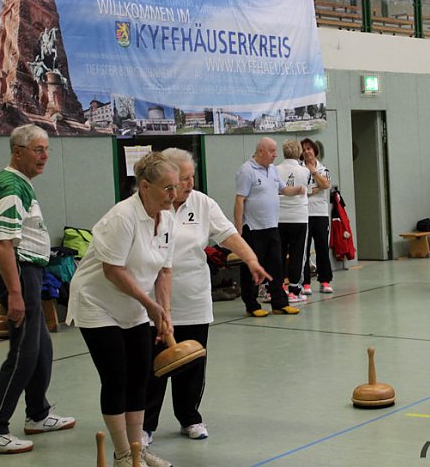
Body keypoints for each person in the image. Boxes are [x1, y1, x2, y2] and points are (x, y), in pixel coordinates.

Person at [143, 148, 269, 444]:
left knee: (193, 363)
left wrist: (251, 260)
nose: (188, 184)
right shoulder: (150, 206)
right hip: (153, 301)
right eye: (182, 178)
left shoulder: (202, 204)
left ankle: (190, 417)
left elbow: (229, 235)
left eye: (191, 177)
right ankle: (145, 425)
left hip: (194, 296)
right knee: (153, 365)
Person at [66, 151, 177, 467]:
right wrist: (150, 305)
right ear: (144, 186)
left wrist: (163, 311)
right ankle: (123, 454)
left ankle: (138, 448)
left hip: (135, 303)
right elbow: (112, 271)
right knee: (116, 376)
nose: (174, 194)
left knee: (140, 375)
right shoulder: (122, 217)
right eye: (167, 188)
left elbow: (164, 271)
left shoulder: (168, 219)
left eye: (177, 186)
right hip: (97, 302)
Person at [0, 125, 75, 454]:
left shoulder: (20, 183)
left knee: (41, 348)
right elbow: (3, 244)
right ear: (17, 151)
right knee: (24, 352)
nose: (44, 156)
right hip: (19, 274)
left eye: (46, 149)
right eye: (37, 149)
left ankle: (37, 414)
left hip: (29, 272)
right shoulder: (10, 187)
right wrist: (16, 293)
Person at [234, 137, 307, 317]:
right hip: (252, 228)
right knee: (252, 266)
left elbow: (283, 190)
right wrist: (238, 230)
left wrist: (297, 189)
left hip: (272, 226)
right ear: (261, 152)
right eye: (272, 151)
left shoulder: (272, 170)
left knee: (276, 266)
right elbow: (239, 201)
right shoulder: (246, 171)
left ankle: (279, 303)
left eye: (276, 151)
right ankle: (251, 304)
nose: (276, 155)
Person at [275, 140, 312, 303]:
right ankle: (294, 289)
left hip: (279, 217)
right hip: (298, 217)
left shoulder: (274, 170)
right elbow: (309, 191)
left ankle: (280, 286)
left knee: (280, 253)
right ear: (299, 153)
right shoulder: (305, 171)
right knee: (298, 254)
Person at [301, 138, 334, 294]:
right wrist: (315, 188)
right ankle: (305, 283)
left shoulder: (323, 169)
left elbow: (326, 185)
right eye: (304, 149)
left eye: (309, 148)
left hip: (320, 213)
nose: (307, 151)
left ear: (314, 150)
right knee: (304, 250)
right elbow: (303, 190)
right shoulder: (299, 169)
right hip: (304, 214)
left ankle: (325, 281)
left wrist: (314, 173)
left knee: (322, 248)